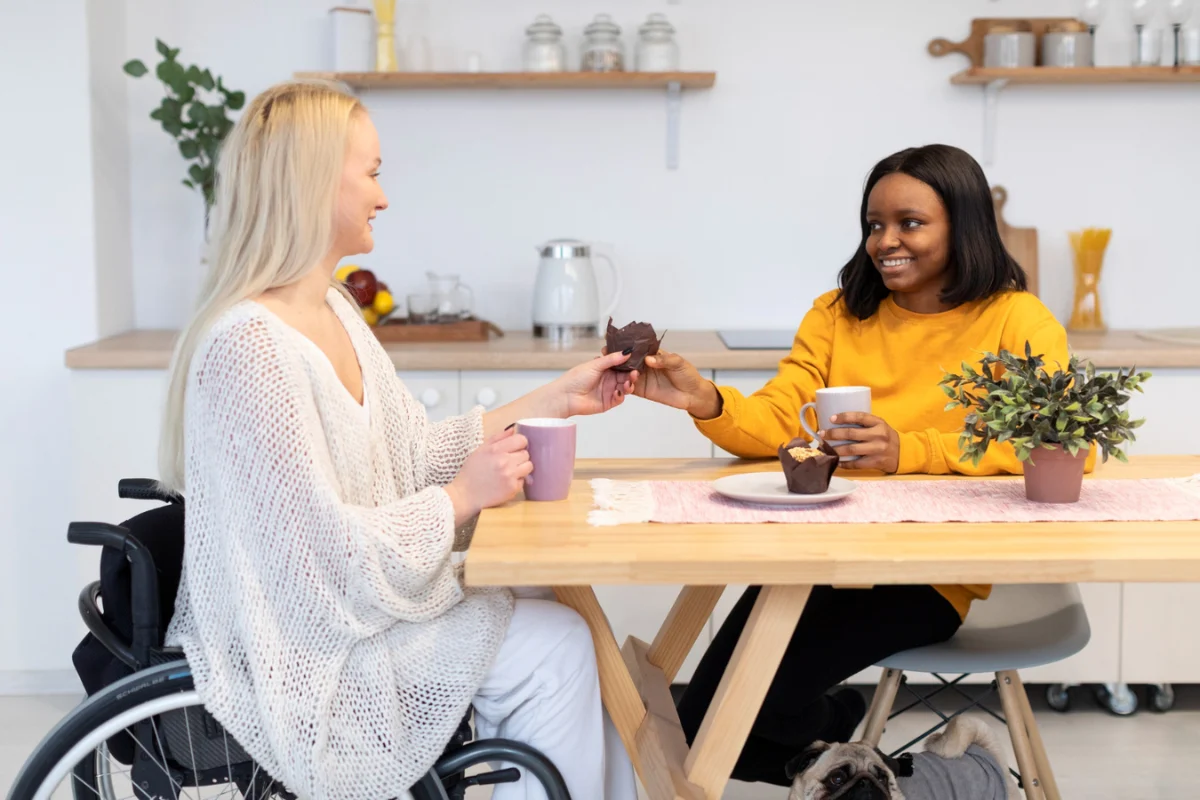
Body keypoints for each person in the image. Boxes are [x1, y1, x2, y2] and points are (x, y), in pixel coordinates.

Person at [158, 80, 638, 800]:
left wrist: (554, 398)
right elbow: (317, 565)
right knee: (559, 649)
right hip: (311, 656)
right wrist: (460, 498)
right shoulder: (250, 349)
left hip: (356, 626)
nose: (384, 197)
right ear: (317, 182)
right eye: (373, 173)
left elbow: (409, 453)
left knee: (569, 626)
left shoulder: (335, 309)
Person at [629, 144, 1085, 785]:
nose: (886, 241)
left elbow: (1060, 447)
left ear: (965, 223)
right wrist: (706, 400)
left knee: (720, 729)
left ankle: (917, 779)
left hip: (928, 573)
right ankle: (875, 757)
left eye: (910, 222)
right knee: (704, 724)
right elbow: (780, 418)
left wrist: (914, 450)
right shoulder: (838, 314)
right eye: (875, 225)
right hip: (816, 555)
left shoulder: (1016, 320)